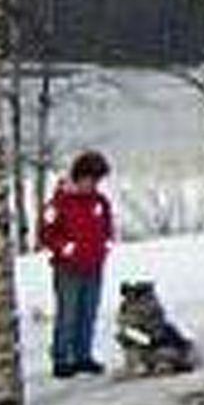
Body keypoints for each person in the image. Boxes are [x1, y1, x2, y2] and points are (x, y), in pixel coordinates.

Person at [39, 150, 115, 378]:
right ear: (80, 176)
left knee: (88, 313)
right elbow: (46, 233)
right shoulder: (58, 203)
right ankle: (62, 358)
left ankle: (84, 355)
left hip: (94, 265)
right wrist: (66, 248)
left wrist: (106, 245)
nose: (94, 185)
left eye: (97, 181)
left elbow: (107, 227)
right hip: (68, 268)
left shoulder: (100, 202)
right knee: (68, 314)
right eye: (91, 179)